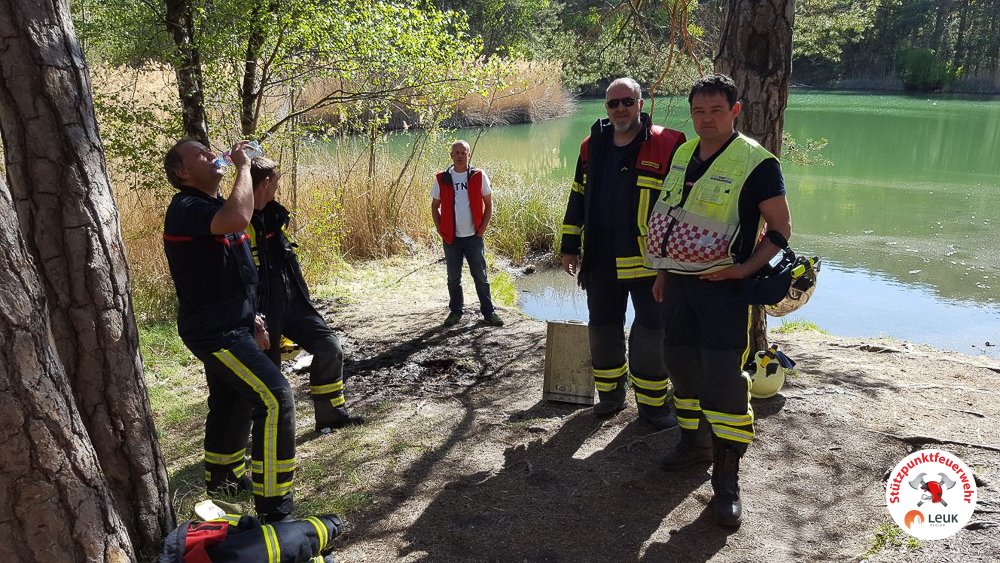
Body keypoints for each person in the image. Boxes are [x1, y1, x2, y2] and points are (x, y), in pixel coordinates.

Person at [649, 73, 792, 528]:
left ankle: (726, 482)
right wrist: (662, 271)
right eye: (698, 111)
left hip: (723, 291)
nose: (705, 119)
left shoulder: (758, 162)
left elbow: (781, 230)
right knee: (678, 361)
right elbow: (670, 214)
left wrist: (744, 270)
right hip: (677, 285)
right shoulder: (685, 152)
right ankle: (695, 444)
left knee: (723, 377)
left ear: (735, 111)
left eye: (715, 110)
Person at [162, 139, 295, 523]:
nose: (210, 154)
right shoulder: (185, 207)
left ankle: (222, 483)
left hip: (235, 322)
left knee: (230, 399)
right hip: (213, 331)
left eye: (210, 150)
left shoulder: (212, 207)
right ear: (182, 172)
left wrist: (251, 316)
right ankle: (275, 507)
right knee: (274, 398)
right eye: (199, 154)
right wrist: (241, 167)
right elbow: (238, 219)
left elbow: (232, 268)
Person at [559, 77, 686, 429]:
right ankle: (611, 397)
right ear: (606, 108)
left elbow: (681, 207)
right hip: (601, 262)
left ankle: (652, 407)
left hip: (650, 263)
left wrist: (674, 261)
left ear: (641, 104)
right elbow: (577, 197)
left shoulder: (670, 143)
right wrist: (570, 246)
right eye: (613, 103)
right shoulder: (591, 145)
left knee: (651, 332)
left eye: (627, 101)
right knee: (602, 329)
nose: (620, 109)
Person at [248, 156, 364, 432]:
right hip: (263, 309)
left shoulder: (273, 214)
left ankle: (332, 416)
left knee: (329, 347)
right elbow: (240, 275)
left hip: (293, 301)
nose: (278, 186)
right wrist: (253, 316)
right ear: (265, 183)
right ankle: (267, 432)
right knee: (269, 369)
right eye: (276, 180)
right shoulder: (242, 220)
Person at [431, 140, 504, 327]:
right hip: (451, 239)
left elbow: (489, 204)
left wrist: (483, 228)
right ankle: (455, 312)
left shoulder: (478, 176)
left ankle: (489, 312)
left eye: (463, 152)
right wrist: (441, 230)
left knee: (480, 276)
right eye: (456, 152)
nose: (460, 155)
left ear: (468, 155)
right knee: (453, 278)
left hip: (474, 237)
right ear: (451, 155)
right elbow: (435, 206)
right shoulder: (442, 178)